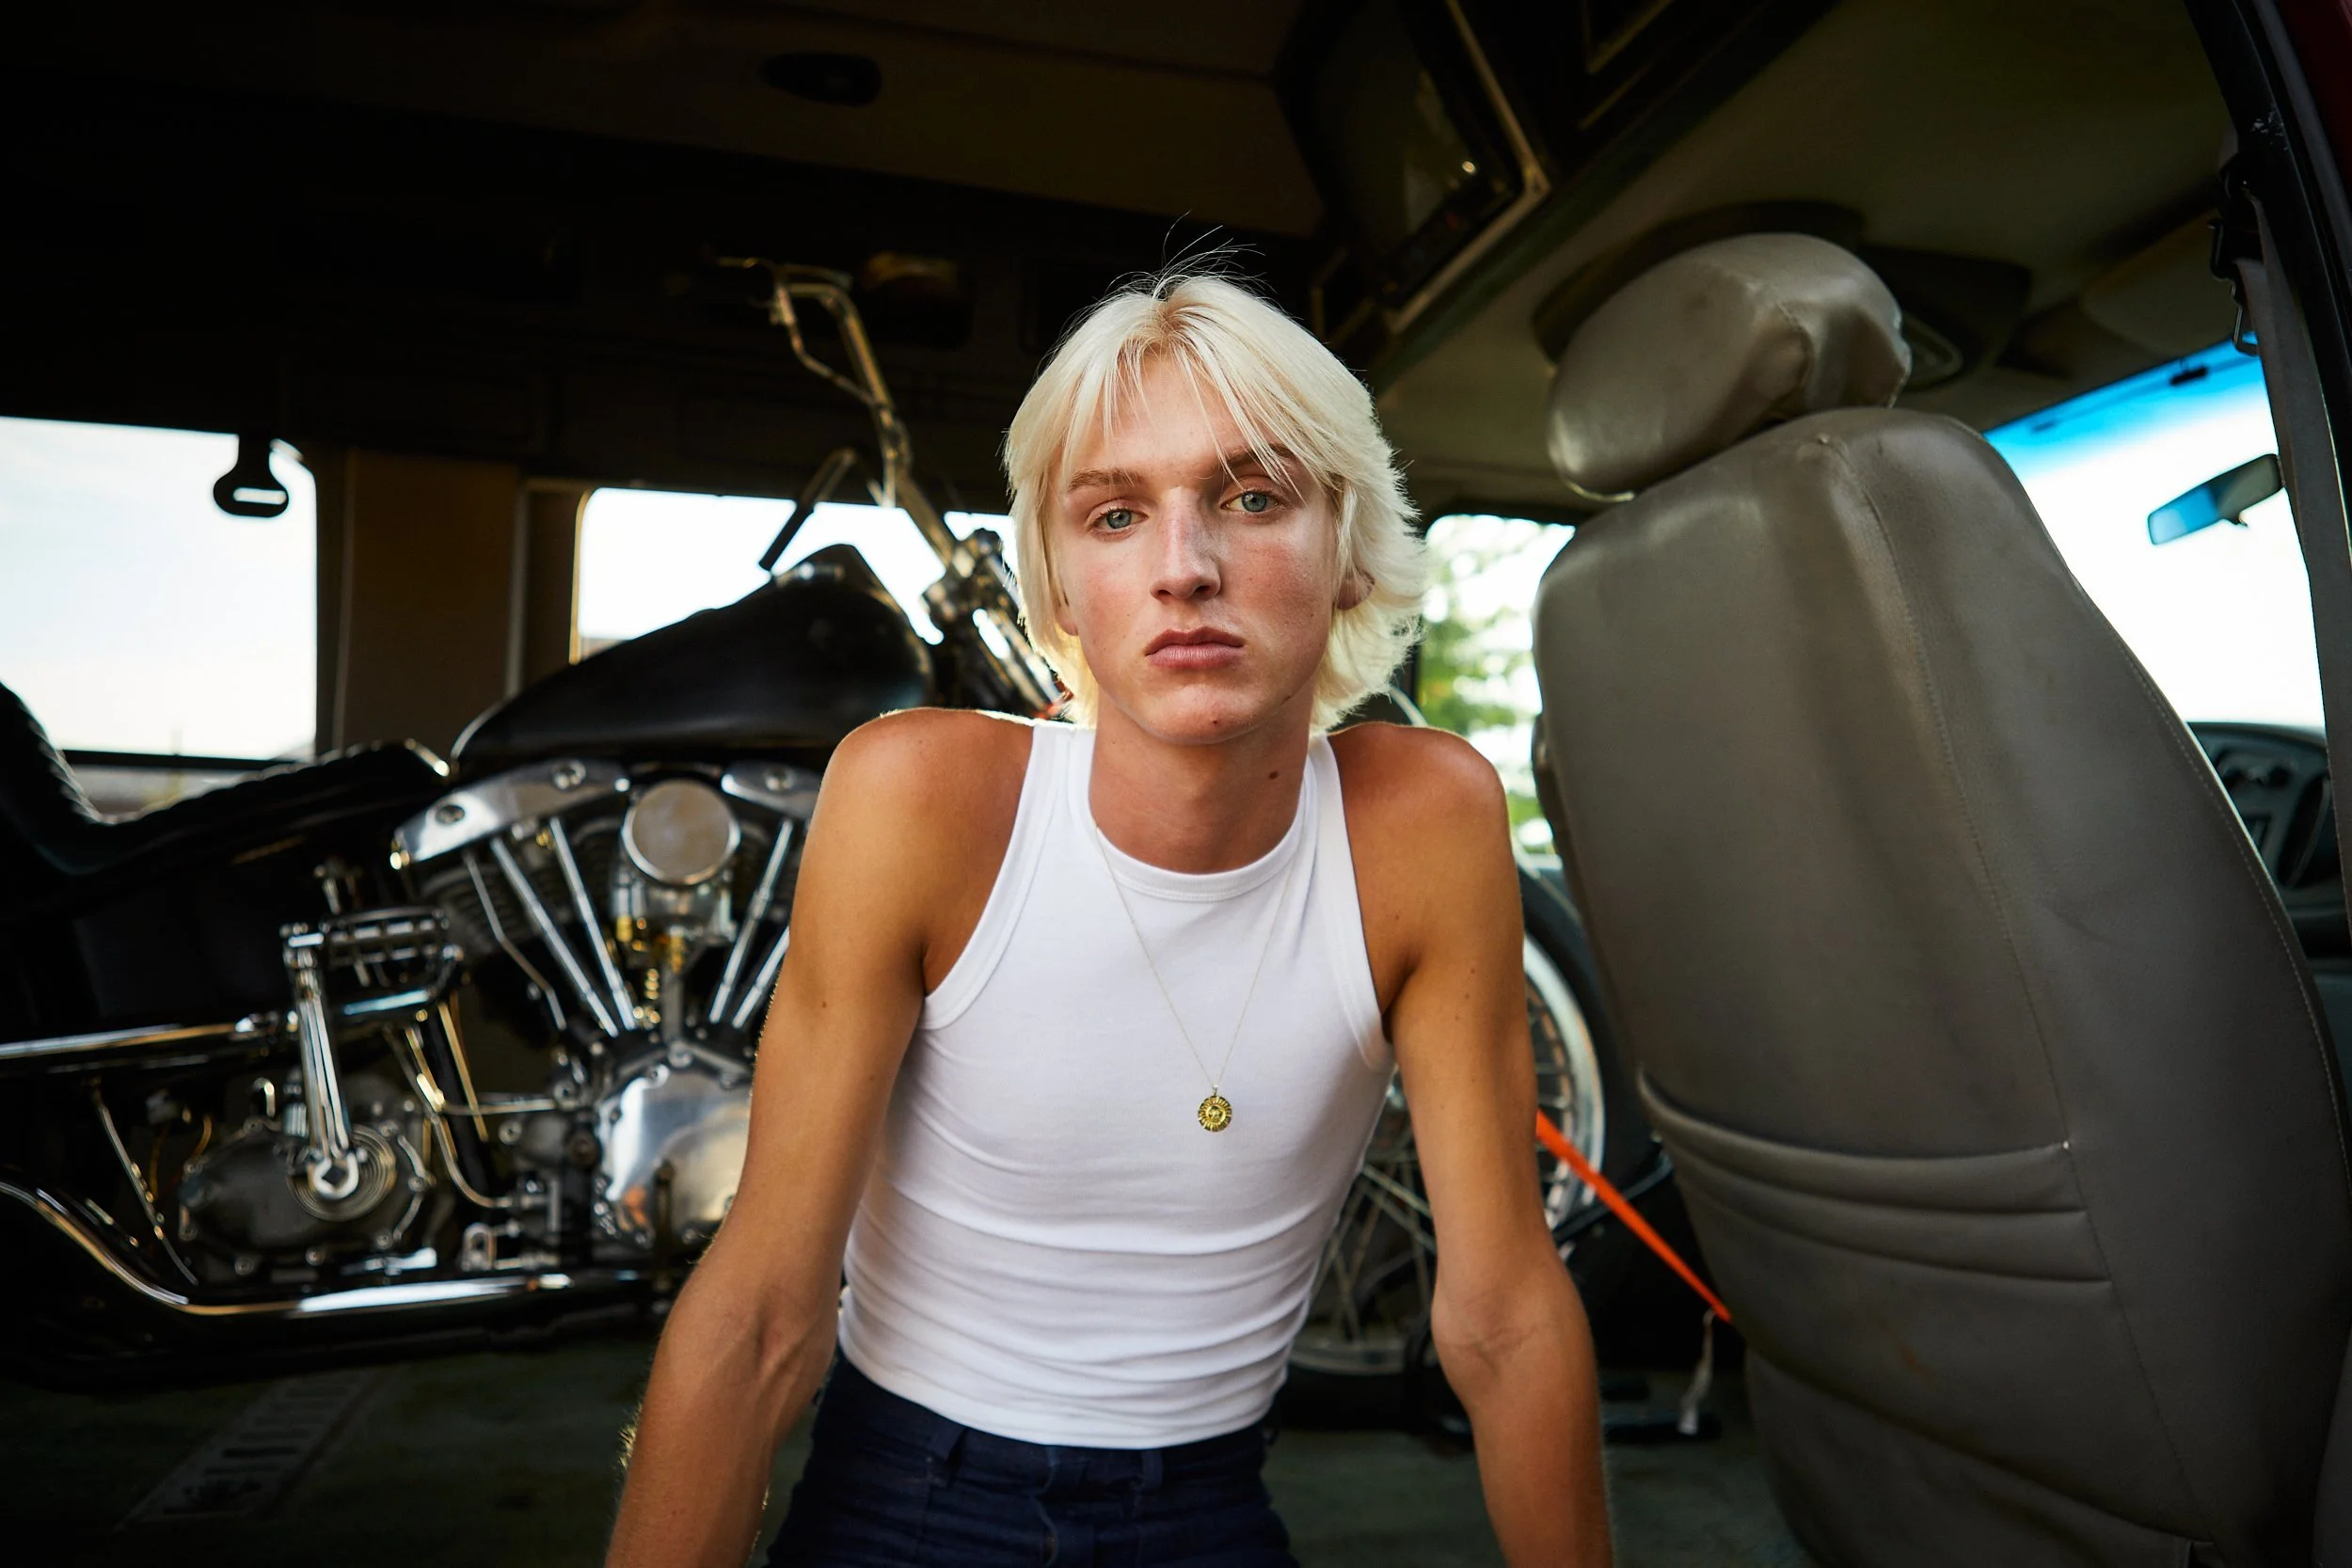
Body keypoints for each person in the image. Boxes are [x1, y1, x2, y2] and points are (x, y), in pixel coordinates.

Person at [604, 269, 1613, 1568]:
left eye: (1251, 498)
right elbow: (760, 1315)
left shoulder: (1424, 824)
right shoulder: (922, 797)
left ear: (1350, 552)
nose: (1185, 567)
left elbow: (1506, 1316)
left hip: (1207, 1507)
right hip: (904, 1495)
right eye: (1118, 513)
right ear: (1061, 587)